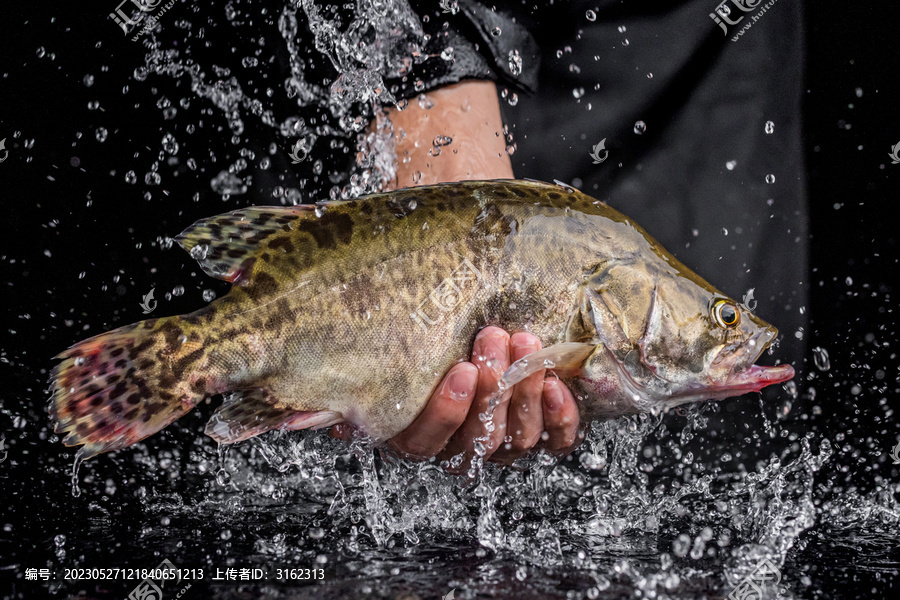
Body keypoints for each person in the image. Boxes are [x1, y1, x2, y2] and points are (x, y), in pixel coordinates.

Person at [334, 0, 809, 471]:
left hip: (705, 62)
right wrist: (434, 64)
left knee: (719, 480)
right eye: (724, 317)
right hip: (469, 83)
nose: (738, 330)